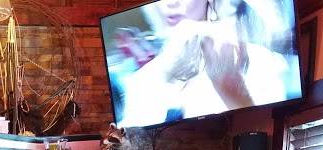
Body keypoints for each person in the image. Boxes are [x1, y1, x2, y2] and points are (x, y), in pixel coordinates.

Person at [116, 0, 297, 127]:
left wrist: (236, 94)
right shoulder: (141, 82)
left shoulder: (261, 62)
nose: (170, 3)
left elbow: (269, 135)